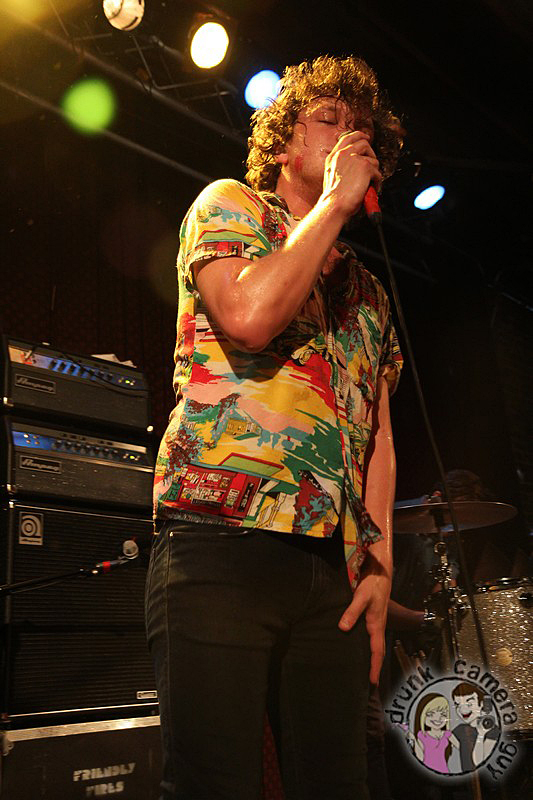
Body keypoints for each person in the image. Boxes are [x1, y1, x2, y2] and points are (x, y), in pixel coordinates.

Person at [145, 54, 403, 800]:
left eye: (361, 128)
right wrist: (334, 205)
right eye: (328, 120)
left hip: (331, 570)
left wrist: (380, 565)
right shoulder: (232, 206)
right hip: (219, 543)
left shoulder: (368, 290)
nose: (349, 136)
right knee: (213, 784)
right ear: (285, 143)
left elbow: (379, 435)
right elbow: (250, 317)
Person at [451, 682, 500, 772]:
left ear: (481, 704)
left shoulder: (492, 730)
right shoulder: (460, 729)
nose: (463, 710)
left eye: (469, 704)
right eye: (458, 705)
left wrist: (481, 734)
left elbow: (479, 762)